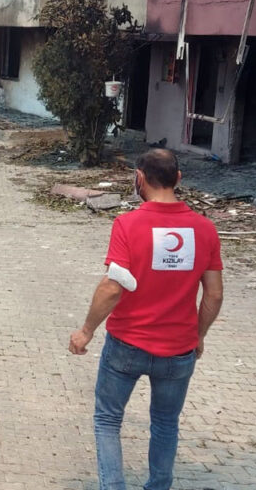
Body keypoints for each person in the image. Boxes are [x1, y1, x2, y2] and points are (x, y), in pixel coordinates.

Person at [68, 148, 224, 490]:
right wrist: (198, 336)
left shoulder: (128, 224)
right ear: (179, 179)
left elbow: (112, 288)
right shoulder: (205, 229)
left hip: (127, 345)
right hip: (178, 351)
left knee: (108, 420)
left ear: (139, 178)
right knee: (166, 424)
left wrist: (86, 331)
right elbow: (213, 294)